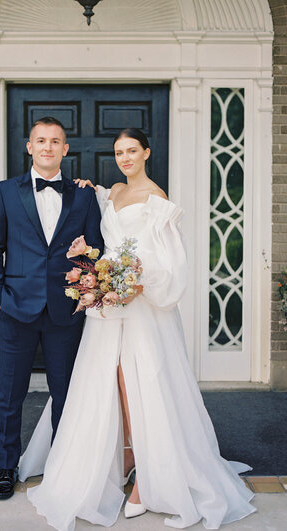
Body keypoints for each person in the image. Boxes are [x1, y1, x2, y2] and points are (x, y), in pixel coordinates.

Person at [18, 127, 257, 530]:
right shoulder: (111, 191)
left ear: (147, 152)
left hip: (143, 308)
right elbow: (98, 222)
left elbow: (171, 263)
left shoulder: (158, 200)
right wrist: (103, 279)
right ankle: (126, 456)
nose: (125, 158)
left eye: (132, 151)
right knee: (107, 381)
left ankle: (149, 474)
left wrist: (134, 285)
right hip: (109, 308)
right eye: (119, 152)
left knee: (139, 381)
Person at [0, 116, 104, 500]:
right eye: (41, 140)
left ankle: (63, 467)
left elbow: (95, 251)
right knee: (10, 393)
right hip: (15, 309)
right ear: (29, 147)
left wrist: (85, 293)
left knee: (66, 392)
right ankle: (6, 467)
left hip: (65, 311)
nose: (48, 147)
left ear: (66, 150)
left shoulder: (83, 196)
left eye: (55, 141)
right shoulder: (4, 192)